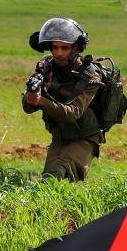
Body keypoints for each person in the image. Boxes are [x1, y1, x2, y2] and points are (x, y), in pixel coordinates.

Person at [23, 18, 103, 182]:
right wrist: (31, 98)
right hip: (59, 138)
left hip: (85, 138)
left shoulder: (89, 75)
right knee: (51, 182)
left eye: (64, 48)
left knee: (57, 174)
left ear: (76, 49)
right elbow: (28, 108)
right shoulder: (46, 67)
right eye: (55, 47)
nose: (59, 53)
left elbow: (73, 113)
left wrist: (42, 101)